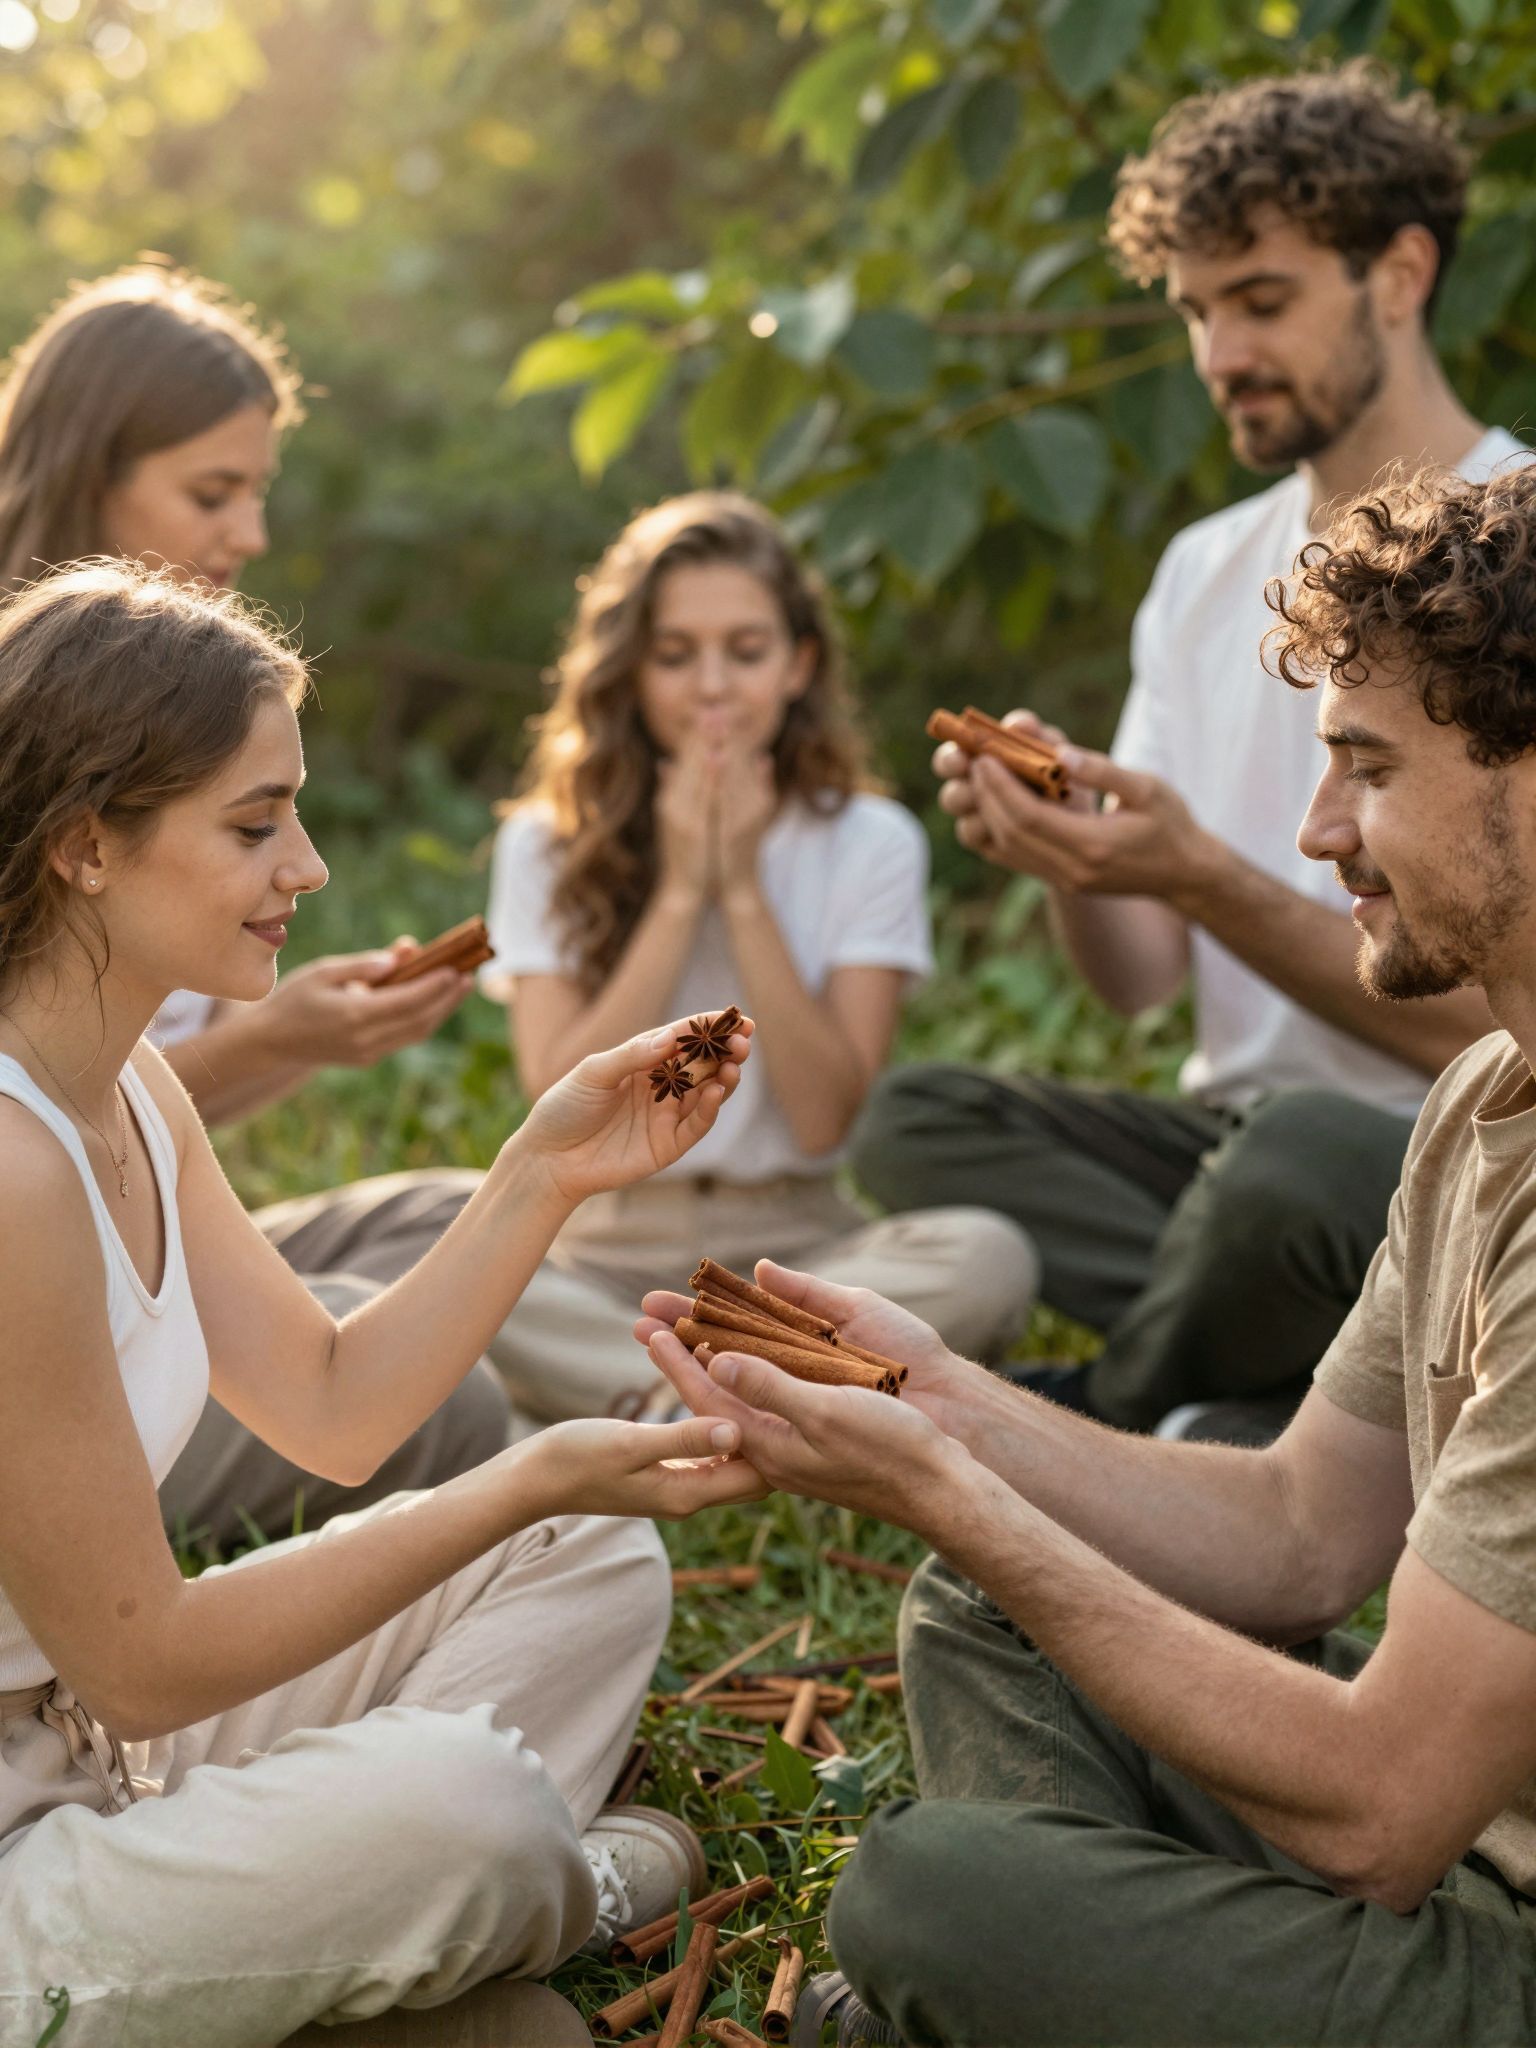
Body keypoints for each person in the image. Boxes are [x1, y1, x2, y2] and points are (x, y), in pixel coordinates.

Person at [646, 461, 1536, 2047]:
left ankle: (999, 1988)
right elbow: (1299, 1530)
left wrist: (950, 1489)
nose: (1320, 827)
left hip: (1492, 1933)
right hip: (1444, 1852)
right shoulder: (1482, 1095)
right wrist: (941, 1406)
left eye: (1368, 768)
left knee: (928, 1899)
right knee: (990, 1604)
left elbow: (1388, 1805)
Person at [0, 560, 764, 2048]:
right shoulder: (7, 1169)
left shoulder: (134, 1089)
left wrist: (543, 1170)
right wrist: (522, 1465)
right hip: (19, 1856)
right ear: (87, 844)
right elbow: (144, 1657)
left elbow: (334, 1408)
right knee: (463, 1806)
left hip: (107, 1762)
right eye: (253, 822)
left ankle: (344, 1948)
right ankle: (565, 1889)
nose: (309, 868)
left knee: (585, 1549)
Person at [850, 63, 1521, 1436]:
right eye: (1199, 311)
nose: (1219, 355)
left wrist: (1207, 874)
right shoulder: (1204, 573)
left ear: (1398, 274)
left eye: (1262, 301)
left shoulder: (1523, 549)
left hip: (1468, 1133)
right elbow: (1136, 986)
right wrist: (1075, 858)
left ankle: (1107, 1411)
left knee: (1298, 1163)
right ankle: (1278, 1363)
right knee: (911, 1119)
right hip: (1225, 1152)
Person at [0, 262, 512, 1543]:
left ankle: (660, 1330)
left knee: (449, 1218)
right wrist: (284, 1040)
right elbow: (49, 1097)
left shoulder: (190, 715)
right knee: (438, 1390)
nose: (249, 536)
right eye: (211, 492)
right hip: (43, 1254)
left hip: (143, 1204)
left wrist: (546, 1163)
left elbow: (125, 1090)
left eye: (258, 492)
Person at [465, 489, 1034, 1423]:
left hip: (795, 1250)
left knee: (987, 1253)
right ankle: (756, 1399)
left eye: (747, 650)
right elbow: (555, 1089)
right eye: (676, 655)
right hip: (598, 1249)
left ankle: (651, 1401)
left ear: (799, 663)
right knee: (436, 1248)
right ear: (631, 672)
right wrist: (683, 891)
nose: (714, 687)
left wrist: (742, 891)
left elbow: (820, 1121)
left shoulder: (869, 840)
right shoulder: (543, 842)